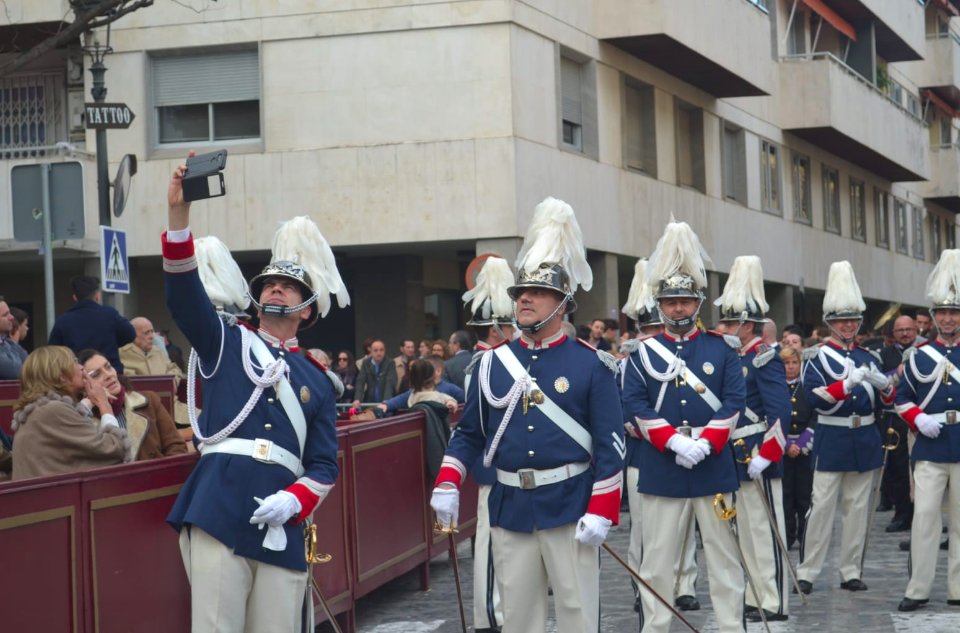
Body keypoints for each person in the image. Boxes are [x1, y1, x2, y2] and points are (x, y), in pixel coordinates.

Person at [163, 154, 344, 633]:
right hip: (218, 506)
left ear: (307, 309)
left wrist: (296, 501)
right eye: (269, 285)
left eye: (288, 287)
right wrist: (179, 217)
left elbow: (323, 464)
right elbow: (183, 297)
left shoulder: (317, 379)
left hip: (281, 519)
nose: (276, 291)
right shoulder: (225, 341)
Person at [430, 197, 623, 633]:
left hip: (570, 505)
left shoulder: (591, 363)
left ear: (562, 304)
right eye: (521, 293)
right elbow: (470, 434)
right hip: (510, 506)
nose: (525, 300)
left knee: (577, 616)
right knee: (517, 619)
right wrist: (447, 481)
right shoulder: (491, 363)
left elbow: (611, 445)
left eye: (538, 293)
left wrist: (602, 508)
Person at [622, 219, 746, 633]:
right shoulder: (642, 353)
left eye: (686, 302)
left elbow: (734, 402)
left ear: (698, 304)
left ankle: (732, 626)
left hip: (713, 464)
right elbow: (634, 404)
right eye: (671, 302)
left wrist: (706, 443)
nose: (679, 309)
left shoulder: (721, 349)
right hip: (663, 464)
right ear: (659, 305)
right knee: (657, 559)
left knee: (724, 556)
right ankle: (655, 627)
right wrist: (674, 442)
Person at [797, 261, 895, 594]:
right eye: (842, 320)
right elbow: (815, 399)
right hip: (832, 436)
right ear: (830, 322)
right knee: (821, 507)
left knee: (857, 509)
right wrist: (845, 385)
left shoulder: (870, 356)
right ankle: (808, 571)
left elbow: (887, 401)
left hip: (864, 436)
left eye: (853, 319)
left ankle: (850, 570)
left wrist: (885, 386)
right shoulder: (816, 357)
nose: (849, 325)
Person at [620, 257, 699, 614]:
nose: (653, 335)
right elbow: (624, 412)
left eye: (657, 328)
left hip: (687, 449)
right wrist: (660, 435)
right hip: (645, 452)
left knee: (686, 524)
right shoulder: (630, 361)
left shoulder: (686, 357)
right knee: (644, 529)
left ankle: (685, 584)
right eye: (648, 329)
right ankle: (644, 586)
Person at [715, 256, 790, 623]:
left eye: (730, 322)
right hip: (734, 453)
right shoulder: (734, 357)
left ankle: (774, 600)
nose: (724, 327)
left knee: (764, 531)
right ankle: (755, 594)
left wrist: (768, 453)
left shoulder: (763, 358)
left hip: (758, 452)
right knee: (744, 531)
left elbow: (780, 411)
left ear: (747, 325)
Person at [895, 250, 960, 612]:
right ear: (933, 317)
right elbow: (902, 398)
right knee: (924, 519)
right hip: (930, 447)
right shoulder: (919, 356)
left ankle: (958, 588)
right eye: (943, 313)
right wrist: (918, 418)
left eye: (955, 312)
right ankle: (918, 588)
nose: (948, 318)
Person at [460, 255, 517, 633]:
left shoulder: (492, 359)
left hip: (502, 464)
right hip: (495, 464)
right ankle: (488, 615)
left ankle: (494, 611)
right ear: (496, 330)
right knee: (491, 544)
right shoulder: (483, 364)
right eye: (508, 325)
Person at [11, 346, 132, 480]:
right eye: (74, 362)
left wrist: (89, 402)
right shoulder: (53, 410)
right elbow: (115, 449)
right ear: (61, 376)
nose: (81, 367)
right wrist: (103, 404)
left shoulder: (42, 410)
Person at [79, 349, 188, 461]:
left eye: (108, 367)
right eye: (96, 375)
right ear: (83, 387)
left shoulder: (149, 400)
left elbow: (176, 446)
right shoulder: (82, 420)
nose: (108, 375)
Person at [877, 315, 919, 532]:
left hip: (920, 418)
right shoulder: (884, 355)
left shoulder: (925, 351)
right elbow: (878, 380)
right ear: (893, 334)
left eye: (908, 329)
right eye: (900, 330)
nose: (905, 334)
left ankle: (923, 517)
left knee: (923, 471)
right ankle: (902, 515)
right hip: (895, 419)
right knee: (898, 469)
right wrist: (898, 373)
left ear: (916, 330)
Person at [48, 276, 137, 373]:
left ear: (75, 297)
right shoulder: (110, 314)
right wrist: (112, 343)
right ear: (97, 296)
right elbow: (131, 335)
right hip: (111, 373)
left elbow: (53, 353)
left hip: (80, 375)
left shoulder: (62, 321)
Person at [780, 347, 815, 549]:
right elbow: (770, 416)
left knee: (804, 494)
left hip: (805, 448)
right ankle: (786, 533)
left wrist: (801, 445)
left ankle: (805, 535)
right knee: (785, 494)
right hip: (782, 448)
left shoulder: (807, 387)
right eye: (786, 363)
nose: (791, 367)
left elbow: (815, 416)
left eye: (795, 363)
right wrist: (786, 445)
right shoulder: (776, 387)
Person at [378, 354, 464, 414]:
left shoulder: (452, 389)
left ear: (438, 371)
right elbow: (399, 400)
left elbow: (465, 402)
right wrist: (386, 405)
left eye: (427, 369)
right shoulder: (415, 391)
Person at [352, 339, 397, 408]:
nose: (379, 353)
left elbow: (390, 382)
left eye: (381, 350)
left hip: (386, 401)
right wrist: (357, 399)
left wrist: (387, 399)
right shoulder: (366, 363)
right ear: (371, 351)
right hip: (369, 401)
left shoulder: (390, 363)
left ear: (385, 351)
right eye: (376, 350)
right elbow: (360, 381)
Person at [0, 297, 26, 378]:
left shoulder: (12, 345)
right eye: (5, 315)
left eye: (9, 313)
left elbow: (33, 366)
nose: (12, 317)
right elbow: (14, 371)